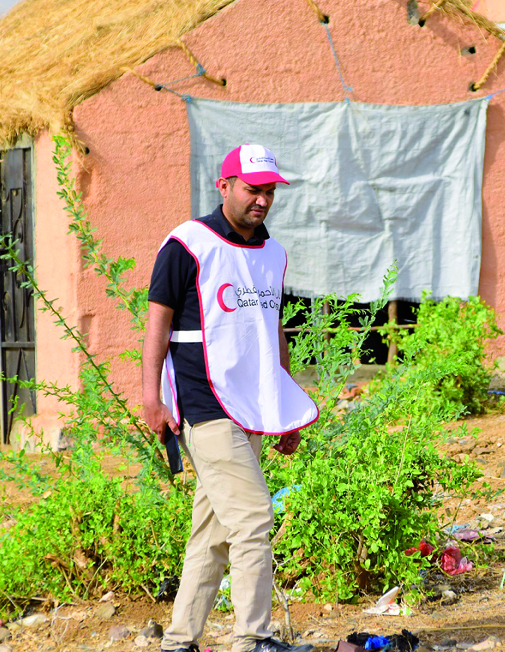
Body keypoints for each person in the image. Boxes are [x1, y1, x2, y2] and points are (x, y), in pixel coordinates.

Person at [142, 145, 318, 652]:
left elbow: (272, 331)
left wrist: (283, 408)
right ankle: (252, 639)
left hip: (251, 407)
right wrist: (150, 397)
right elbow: (158, 323)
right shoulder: (188, 244)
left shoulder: (273, 254)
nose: (261, 199)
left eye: (268, 190)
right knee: (253, 518)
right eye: (251, 188)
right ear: (225, 187)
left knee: (213, 532)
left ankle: (179, 641)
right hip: (203, 405)